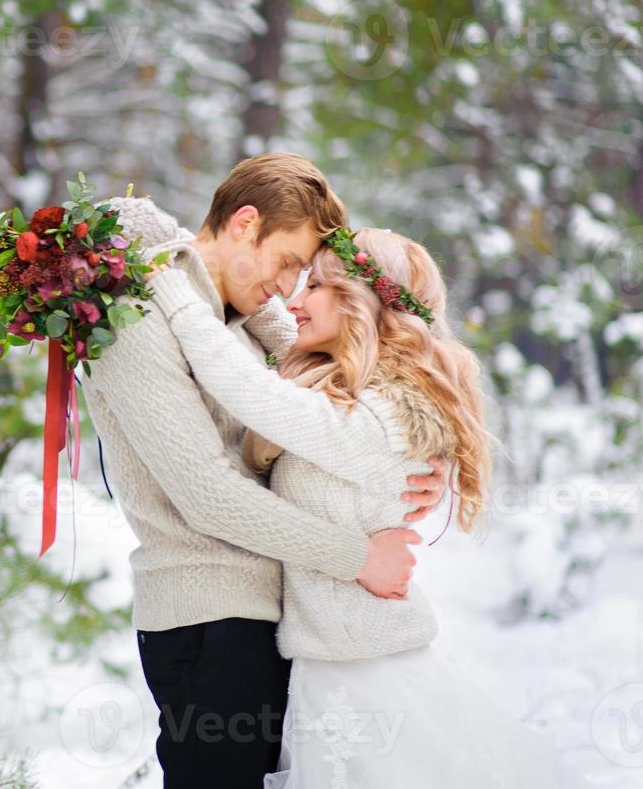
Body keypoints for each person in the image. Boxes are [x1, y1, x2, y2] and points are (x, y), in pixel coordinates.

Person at [142, 225, 587, 786]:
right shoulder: (362, 396)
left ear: (363, 301)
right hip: (332, 667)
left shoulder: (382, 417)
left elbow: (248, 392)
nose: (294, 301)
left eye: (316, 287)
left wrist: (175, 295)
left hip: (366, 676)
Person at [80, 153, 448, 788]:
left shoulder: (237, 313)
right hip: (208, 616)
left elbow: (355, 374)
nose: (289, 289)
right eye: (287, 264)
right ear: (244, 223)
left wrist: (420, 456)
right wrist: (359, 557)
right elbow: (209, 497)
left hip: (273, 619)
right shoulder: (138, 316)